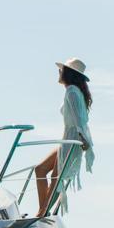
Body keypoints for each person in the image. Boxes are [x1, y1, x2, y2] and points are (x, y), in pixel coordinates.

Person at [36, 58, 95, 217]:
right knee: (40, 170)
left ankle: (41, 215)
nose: (59, 72)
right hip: (68, 139)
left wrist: (83, 140)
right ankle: (42, 213)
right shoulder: (74, 91)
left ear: (68, 74)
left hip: (71, 140)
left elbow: (78, 119)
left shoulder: (72, 91)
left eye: (61, 70)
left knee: (56, 180)